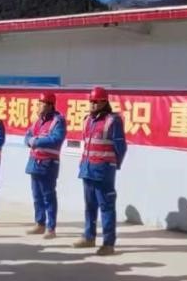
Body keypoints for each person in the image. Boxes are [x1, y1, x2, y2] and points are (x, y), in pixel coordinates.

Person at [75, 87, 128, 255]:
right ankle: (89, 237)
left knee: (106, 206)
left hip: (103, 171)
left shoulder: (113, 121)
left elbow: (121, 147)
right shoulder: (87, 120)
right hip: (87, 169)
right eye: (90, 101)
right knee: (89, 206)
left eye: (95, 101)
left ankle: (108, 243)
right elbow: (86, 144)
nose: (92, 104)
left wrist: (113, 165)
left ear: (104, 102)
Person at [24, 92, 65, 239]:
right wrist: (30, 140)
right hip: (34, 162)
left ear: (49, 105)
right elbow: (27, 136)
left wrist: (35, 141)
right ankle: (40, 223)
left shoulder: (58, 121)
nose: (38, 106)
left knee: (48, 196)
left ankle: (51, 228)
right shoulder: (38, 121)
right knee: (37, 196)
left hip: (48, 163)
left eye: (41, 103)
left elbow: (56, 139)